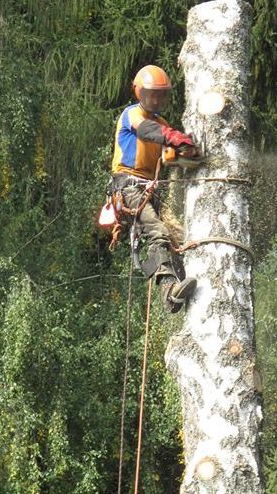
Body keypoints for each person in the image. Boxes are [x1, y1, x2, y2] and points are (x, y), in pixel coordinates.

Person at [109, 64, 198, 313]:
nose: (156, 100)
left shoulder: (161, 123)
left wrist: (186, 152)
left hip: (150, 189)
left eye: (161, 95)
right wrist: (173, 136)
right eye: (152, 95)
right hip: (128, 186)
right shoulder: (132, 115)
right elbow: (149, 132)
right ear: (140, 93)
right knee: (158, 232)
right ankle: (169, 291)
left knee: (177, 237)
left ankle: (182, 288)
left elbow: (167, 156)